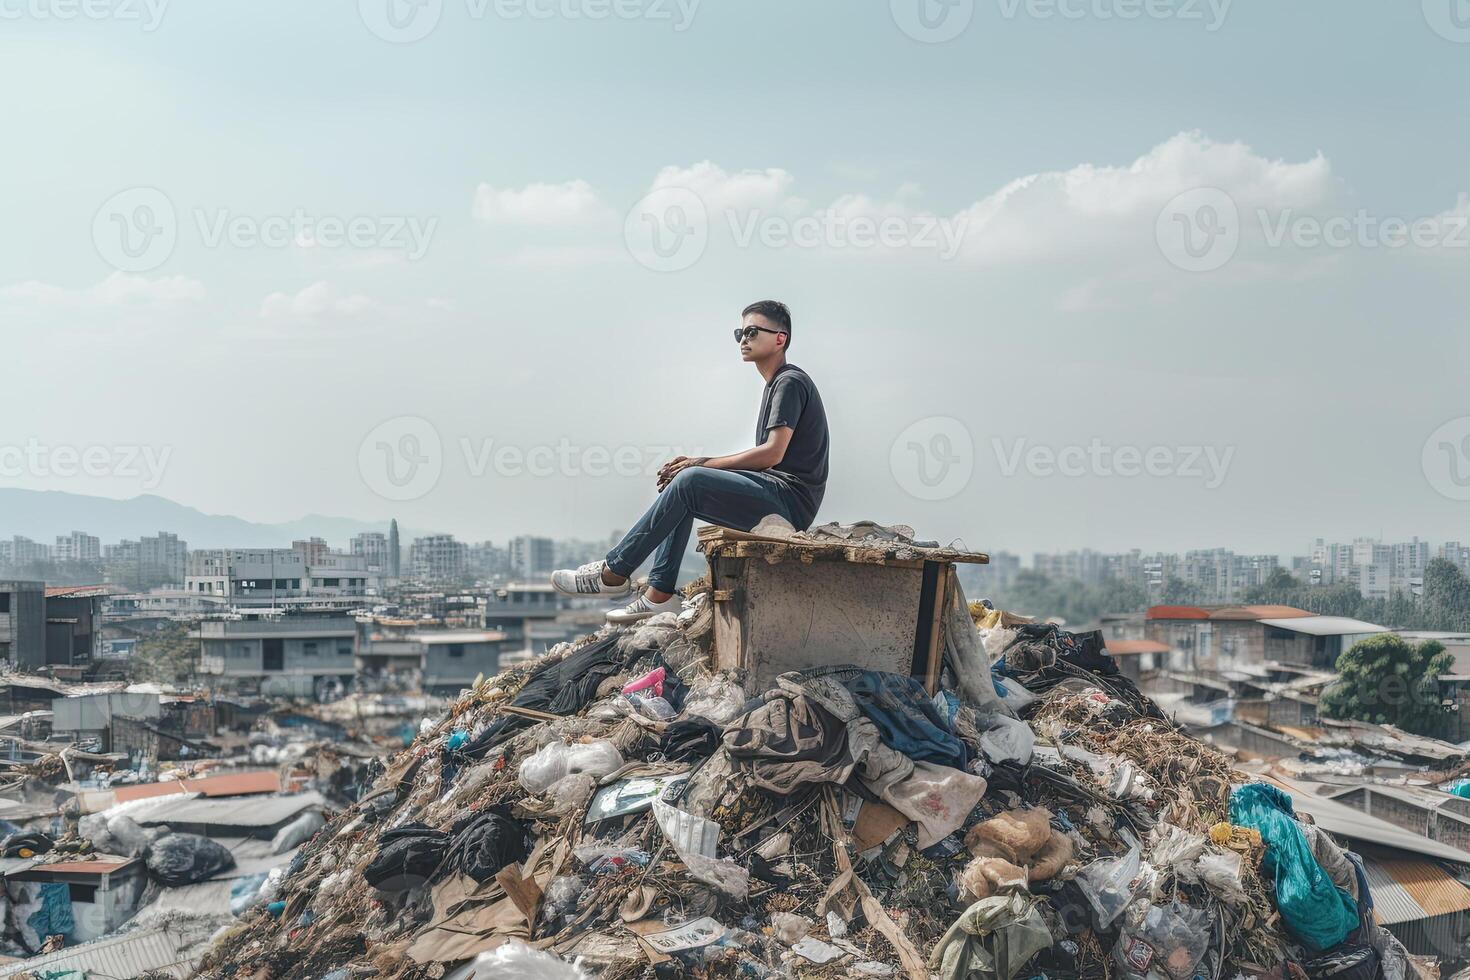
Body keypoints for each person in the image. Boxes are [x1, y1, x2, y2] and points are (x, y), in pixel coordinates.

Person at [551, 300, 830, 624]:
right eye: (740, 332)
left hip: (789, 504)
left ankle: (613, 573)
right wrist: (699, 467)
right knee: (683, 482)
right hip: (776, 494)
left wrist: (702, 464)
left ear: (780, 338)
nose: (743, 339)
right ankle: (659, 594)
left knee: (691, 479)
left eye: (752, 331)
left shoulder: (789, 382)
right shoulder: (776, 384)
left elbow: (772, 453)